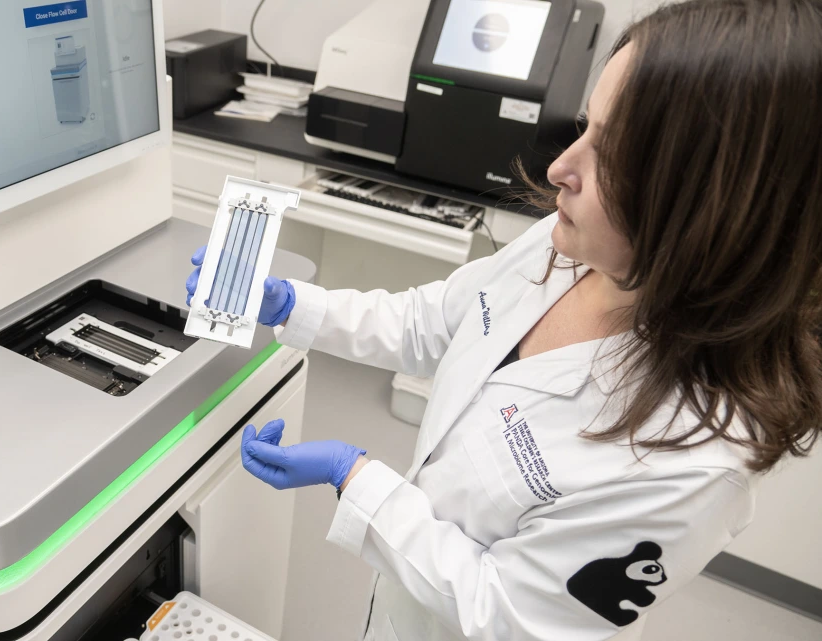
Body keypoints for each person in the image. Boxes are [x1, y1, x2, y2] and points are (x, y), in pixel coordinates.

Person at [184, 0, 822, 639]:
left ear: (719, 208)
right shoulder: (571, 246)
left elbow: (506, 613)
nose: (559, 170)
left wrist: (355, 478)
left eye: (616, 155)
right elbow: (432, 323)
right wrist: (295, 305)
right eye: (586, 128)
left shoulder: (694, 463)